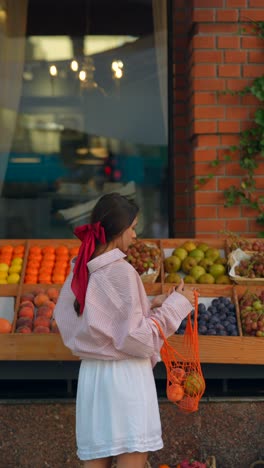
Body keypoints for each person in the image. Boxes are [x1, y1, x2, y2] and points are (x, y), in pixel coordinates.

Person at [54, 192, 195, 468]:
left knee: (96, 462)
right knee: (132, 459)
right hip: (125, 378)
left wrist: (149, 305)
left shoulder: (80, 269)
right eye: (132, 228)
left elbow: (87, 320)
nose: (134, 236)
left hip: (93, 378)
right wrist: (178, 305)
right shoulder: (121, 271)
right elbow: (137, 338)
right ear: (118, 231)